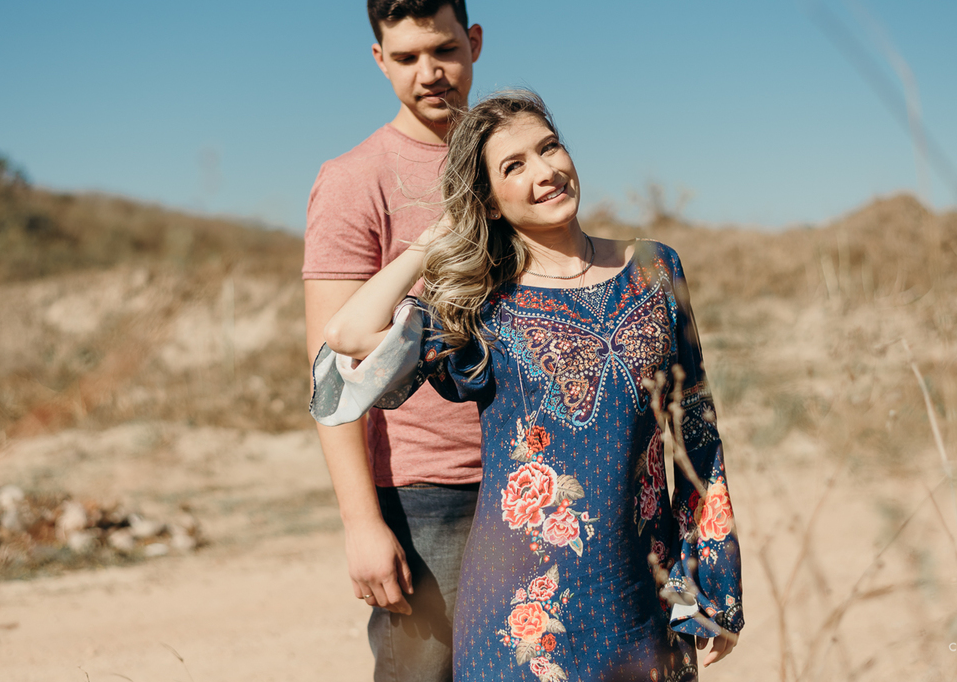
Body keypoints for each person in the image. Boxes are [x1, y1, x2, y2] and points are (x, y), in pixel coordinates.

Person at [312, 91, 744, 681]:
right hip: (520, 614)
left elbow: (695, 431)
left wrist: (709, 586)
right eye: (513, 166)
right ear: (489, 202)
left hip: (643, 593)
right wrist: (435, 239)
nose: (545, 171)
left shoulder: (654, 267)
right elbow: (349, 335)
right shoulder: (479, 305)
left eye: (549, 147)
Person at [302, 0, 484, 682]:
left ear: (474, 41)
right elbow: (331, 371)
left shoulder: (508, 161)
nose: (429, 73)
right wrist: (361, 523)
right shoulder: (355, 178)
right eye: (406, 57)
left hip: (531, 466)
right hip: (426, 492)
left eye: (444, 49)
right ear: (379, 59)